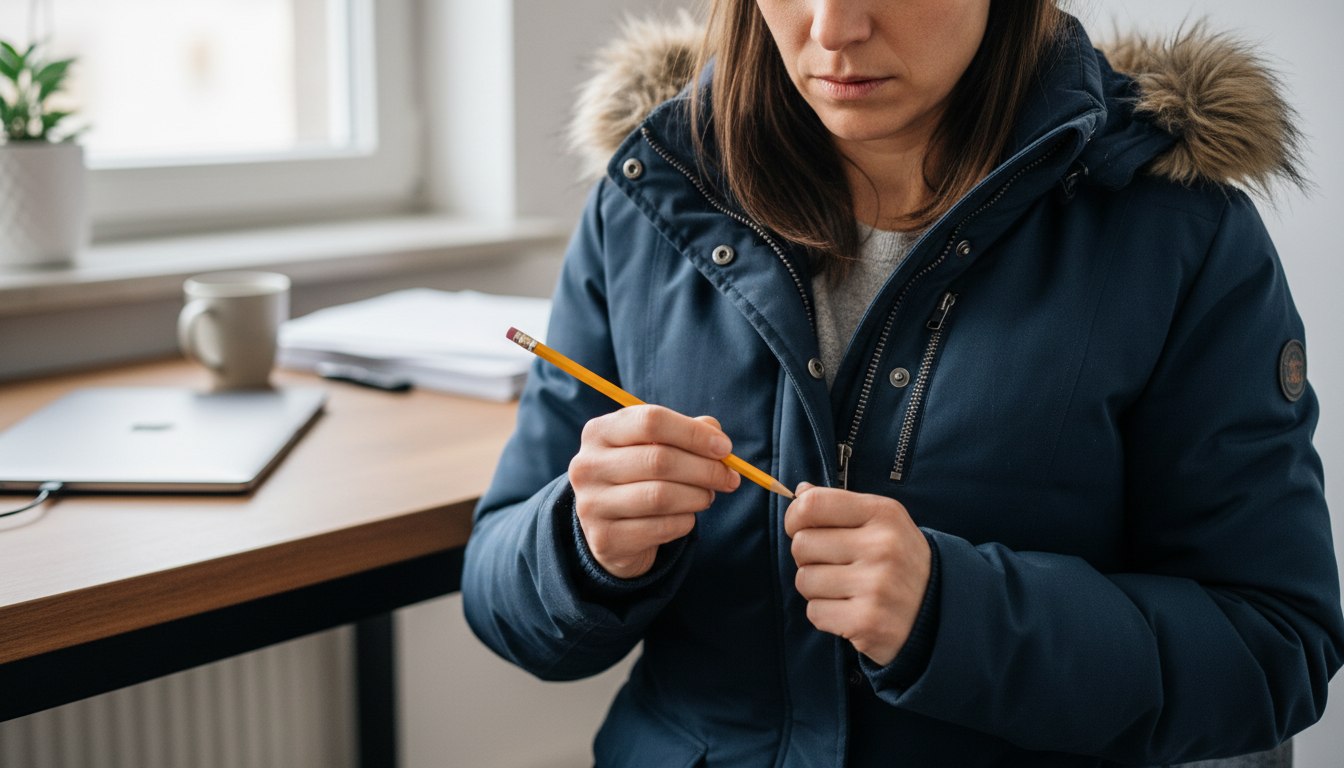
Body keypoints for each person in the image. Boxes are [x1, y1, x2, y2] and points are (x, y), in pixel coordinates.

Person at [461, 1, 1344, 765]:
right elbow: (499, 596)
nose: (834, 28)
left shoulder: (1176, 233)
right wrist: (580, 545)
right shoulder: (653, 195)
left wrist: (957, 618)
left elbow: (1274, 649)